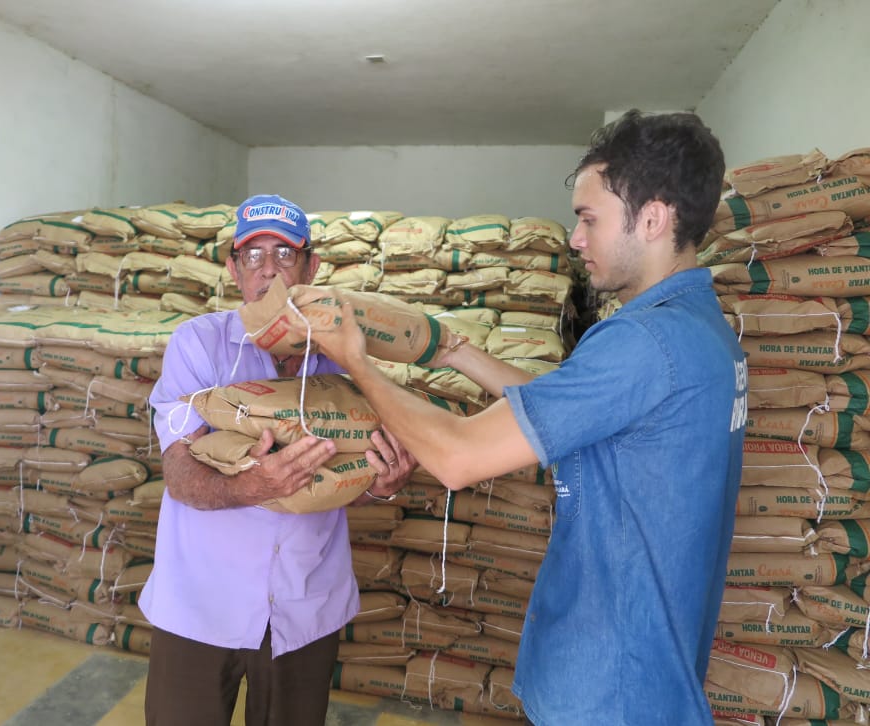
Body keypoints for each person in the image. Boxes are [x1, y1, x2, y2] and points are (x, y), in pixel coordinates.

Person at [310, 111, 748, 725]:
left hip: (610, 690)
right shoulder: (703, 332)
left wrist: (355, 361)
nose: (575, 238)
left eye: (589, 218)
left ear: (653, 218)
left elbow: (458, 457)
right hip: (650, 676)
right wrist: (454, 349)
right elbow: (567, 404)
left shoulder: (643, 342)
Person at [140, 193, 415, 726]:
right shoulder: (198, 345)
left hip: (303, 606)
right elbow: (178, 472)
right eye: (253, 256)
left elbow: (363, 464)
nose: (269, 271)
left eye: (285, 255)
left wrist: (385, 484)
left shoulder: (345, 354)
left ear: (311, 267)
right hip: (200, 604)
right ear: (233, 269)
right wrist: (250, 487)